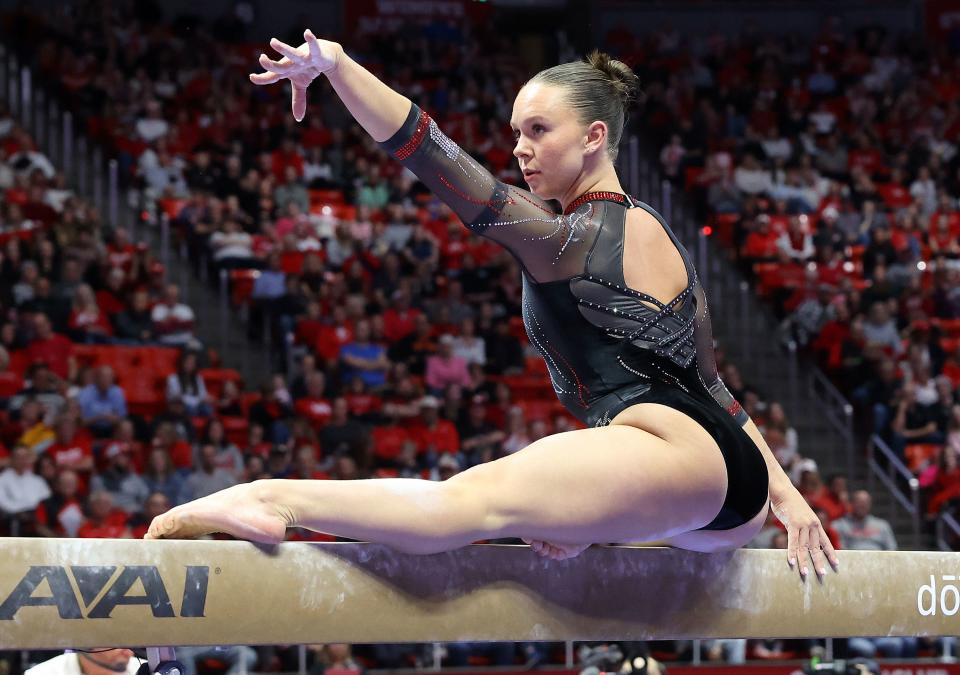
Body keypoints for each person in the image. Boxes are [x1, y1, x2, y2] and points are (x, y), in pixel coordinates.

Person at [147, 34, 836, 580]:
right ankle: (590, 519)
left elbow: (438, 160)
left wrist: (338, 65)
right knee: (528, 511)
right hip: (718, 504)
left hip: (680, 464)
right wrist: (785, 494)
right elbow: (713, 387)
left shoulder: (571, 239)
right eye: (515, 133)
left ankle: (274, 498)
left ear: (595, 136)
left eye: (539, 130)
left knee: (468, 503)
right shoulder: (653, 231)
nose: (520, 149)